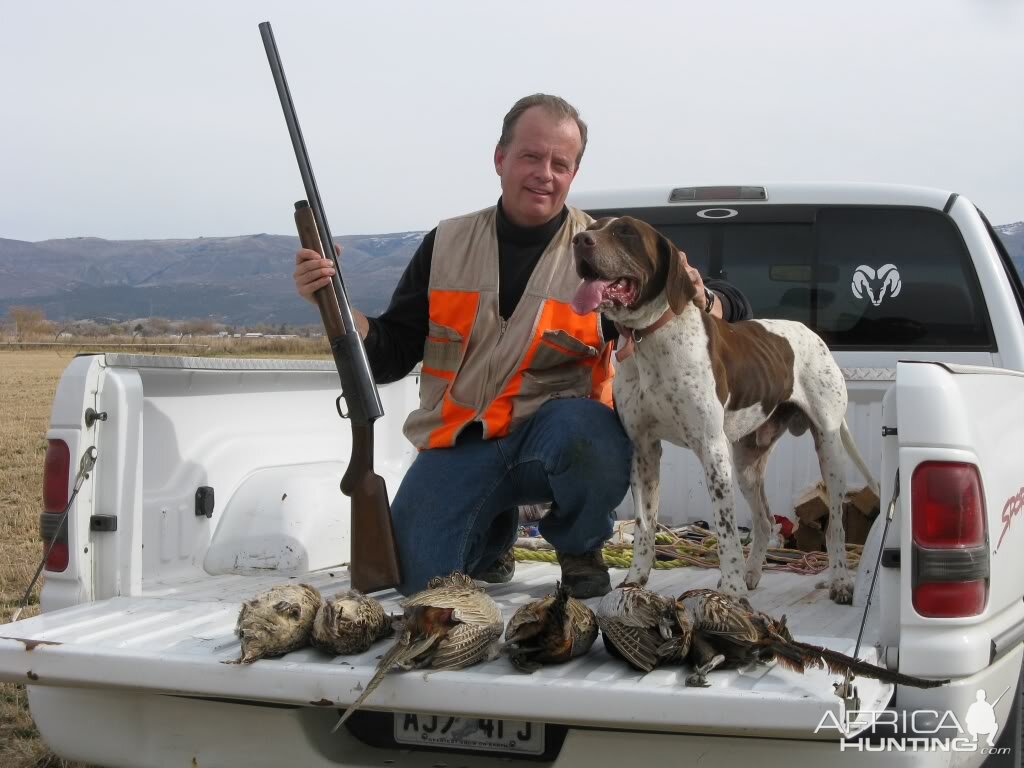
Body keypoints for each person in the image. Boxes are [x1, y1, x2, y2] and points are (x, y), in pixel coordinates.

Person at [294, 94, 751, 598]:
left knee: (593, 434)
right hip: (460, 442)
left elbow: (729, 303)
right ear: (500, 159)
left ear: (573, 173)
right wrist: (337, 307)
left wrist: (708, 297)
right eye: (531, 157)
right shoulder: (445, 244)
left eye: (561, 163)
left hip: (556, 441)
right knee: (417, 583)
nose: (545, 174)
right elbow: (391, 354)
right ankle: (493, 539)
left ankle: (580, 548)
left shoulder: (601, 246)